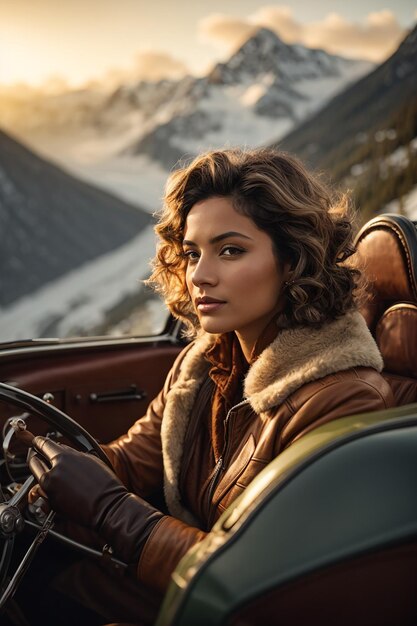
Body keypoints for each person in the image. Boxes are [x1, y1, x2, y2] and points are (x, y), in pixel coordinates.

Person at [26, 148, 395, 624]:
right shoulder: (205, 362)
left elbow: (258, 581)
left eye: (230, 250)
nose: (199, 275)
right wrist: (51, 474)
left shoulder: (342, 400)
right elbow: (134, 459)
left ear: (292, 259)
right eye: (192, 253)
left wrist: (107, 508)